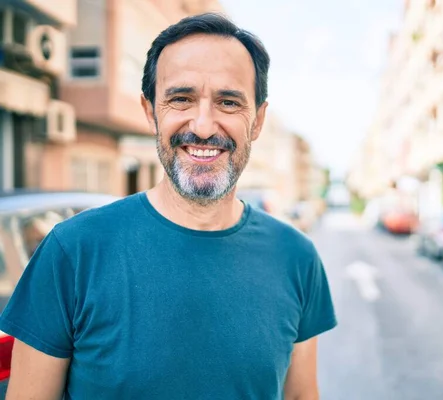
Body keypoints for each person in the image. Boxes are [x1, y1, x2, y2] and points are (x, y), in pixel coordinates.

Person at [0, 13, 337, 400]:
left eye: (229, 102)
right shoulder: (72, 251)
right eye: (181, 99)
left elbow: (299, 395)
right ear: (150, 112)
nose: (205, 126)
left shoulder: (296, 257)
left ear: (257, 121)